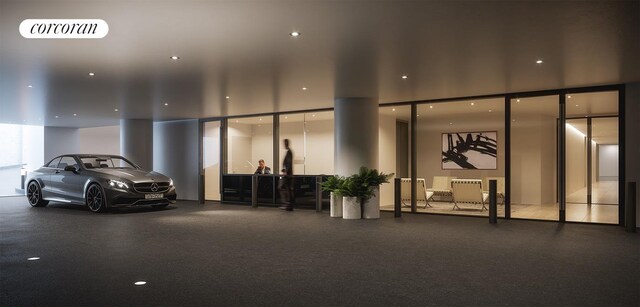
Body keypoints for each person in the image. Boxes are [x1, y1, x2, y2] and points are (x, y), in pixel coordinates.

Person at [279, 139, 294, 211]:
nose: (284, 145)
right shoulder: (289, 152)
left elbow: (288, 163)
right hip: (288, 174)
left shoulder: (289, 152)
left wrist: (285, 171)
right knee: (286, 189)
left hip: (288, 175)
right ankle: (288, 204)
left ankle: (287, 204)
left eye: (285, 143)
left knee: (283, 188)